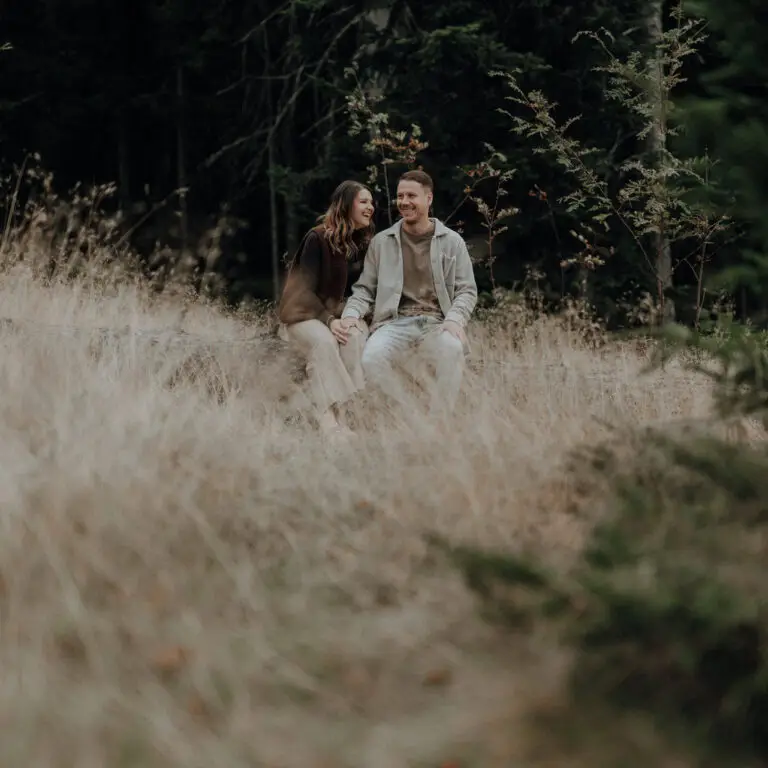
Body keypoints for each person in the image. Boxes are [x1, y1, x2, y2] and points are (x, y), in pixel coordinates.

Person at [339, 169, 477, 413]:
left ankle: (439, 420)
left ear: (428, 199)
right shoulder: (382, 242)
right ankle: (407, 413)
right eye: (400, 196)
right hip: (394, 323)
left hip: (438, 322)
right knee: (371, 359)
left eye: (411, 196)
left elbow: (466, 290)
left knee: (453, 349)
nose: (403, 202)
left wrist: (456, 320)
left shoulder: (452, 241)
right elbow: (364, 290)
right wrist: (350, 314)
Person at [277, 180, 375, 435]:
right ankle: (327, 419)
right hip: (301, 318)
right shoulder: (317, 237)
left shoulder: (361, 245)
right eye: (363, 201)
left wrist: (351, 318)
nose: (370, 207)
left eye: (371, 202)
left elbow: (363, 291)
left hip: (335, 318)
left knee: (352, 339)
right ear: (345, 204)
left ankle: (346, 417)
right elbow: (302, 290)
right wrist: (329, 320)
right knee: (324, 343)